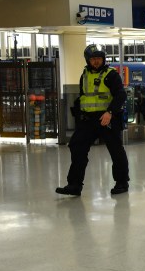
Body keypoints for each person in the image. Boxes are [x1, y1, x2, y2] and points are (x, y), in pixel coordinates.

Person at [55, 44, 130, 196]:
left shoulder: (111, 74)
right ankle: (74, 184)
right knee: (76, 147)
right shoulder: (85, 75)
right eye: (93, 59)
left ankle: (122, 182)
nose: (96, 62)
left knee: (116, 151)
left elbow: (121, 95)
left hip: (107, 118)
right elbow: (84, 97)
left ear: (103, 59)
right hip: (89, 120)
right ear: (88, 60)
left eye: (99, 59)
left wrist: (110, 112)